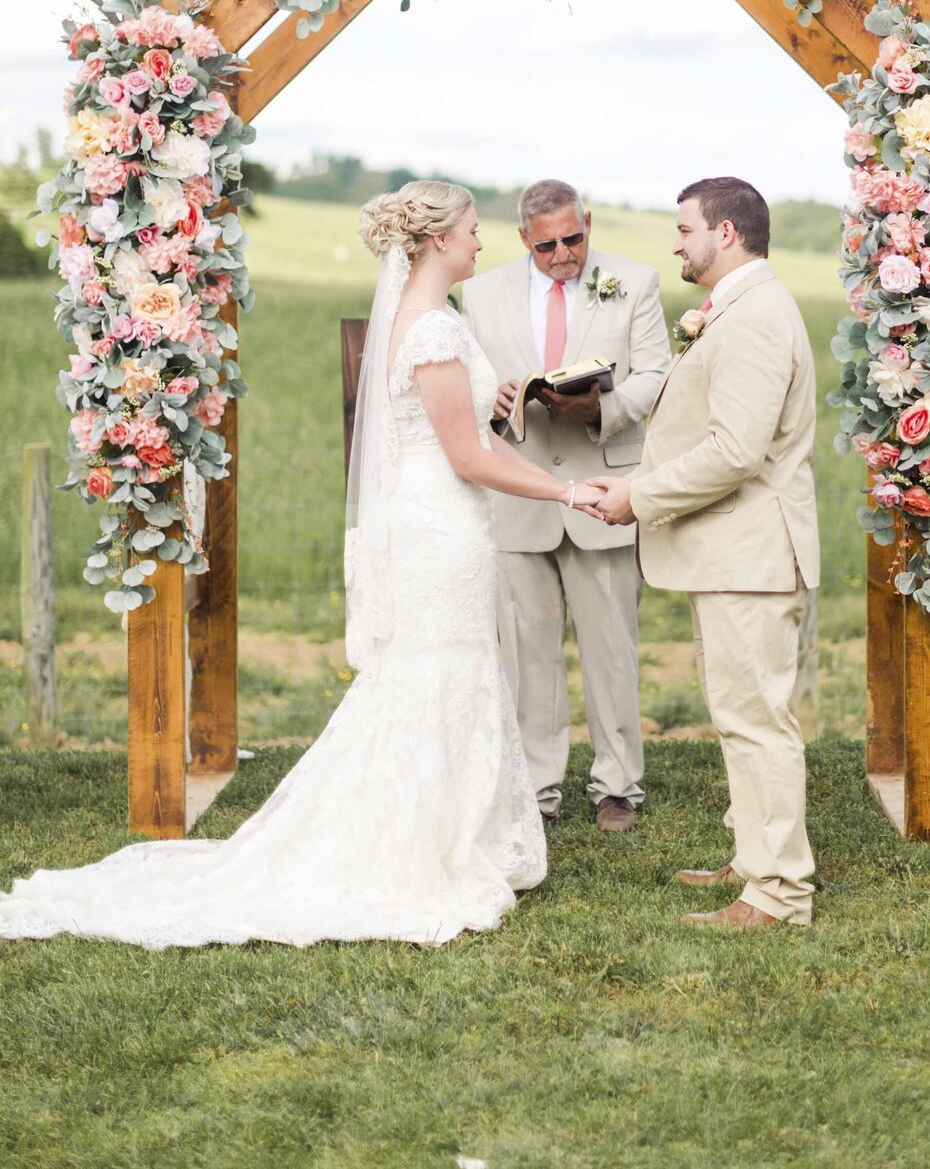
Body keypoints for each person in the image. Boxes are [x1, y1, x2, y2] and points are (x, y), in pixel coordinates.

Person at [0, 182, 606, 948]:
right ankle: (419, 850)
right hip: (441, 523)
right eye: (473, 230)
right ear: (436, 241)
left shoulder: (424, 324)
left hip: (432, 519)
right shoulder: (436, 332)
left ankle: (441, 834)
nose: (482, 242)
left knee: (436, 674)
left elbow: (452, 425)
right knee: (440, 674)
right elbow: (466, 456)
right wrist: (568, 488)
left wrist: (502, 404)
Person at [593, 177, 819, 928]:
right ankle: (753, 857)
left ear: (726, 234)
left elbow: (734, 451)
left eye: (685, 228)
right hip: (730, 553)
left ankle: (779, 892)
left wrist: (638, 496)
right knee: (739, 716)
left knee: (759, 722)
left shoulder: (755, 317)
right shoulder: (741, 307)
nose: (676, 243)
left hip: (750, 555)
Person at [462, 179, 670, 832]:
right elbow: (463, 383)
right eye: (547, 244)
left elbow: (658, 374)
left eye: (574, 238)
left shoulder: (635, 282)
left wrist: (604, 409)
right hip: (519, 487)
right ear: (524, 238)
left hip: (603, 491)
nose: (563, 255)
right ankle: (538, 789)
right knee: (527, 651)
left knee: (611, 647)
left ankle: (617, 787)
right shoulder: (482, 292)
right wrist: (490, 400)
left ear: (589, 223)